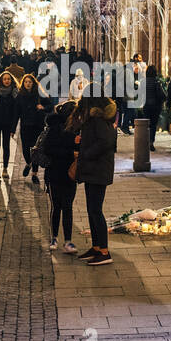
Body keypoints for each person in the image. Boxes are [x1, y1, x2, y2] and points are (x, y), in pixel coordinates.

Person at [69, 93, 117, 265]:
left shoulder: (98, 120)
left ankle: (104, 251)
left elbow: (105, 142)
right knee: (91, 209)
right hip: (93, 170)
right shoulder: (97, 119)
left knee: (96, 210)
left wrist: (86, 153)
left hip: (98, 170)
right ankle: (96, 247)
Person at [43, 99, 80, 253]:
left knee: (68, 206)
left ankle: (68, 240)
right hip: (55, 172)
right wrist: (71, 151)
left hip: (70, 173)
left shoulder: (76, 129)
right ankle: (54, 237)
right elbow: (49, 149)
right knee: (56, 206)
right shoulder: (54, 128)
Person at [17, 73, 52, 183]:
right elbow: (16, 112)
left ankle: (34, 174)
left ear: (33, 83)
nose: (28, 84)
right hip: (25, 125)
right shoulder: (20, 95)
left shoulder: (40, 94)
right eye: (26, 82)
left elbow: (50, 106)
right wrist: (12, 128)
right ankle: (29, 163)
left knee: (35, 149)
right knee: (25, 149)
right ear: (23, 83)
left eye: (30, 82)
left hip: (37, 124)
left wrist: (43, 107)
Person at [0, 71, 21, 178]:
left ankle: (5, 169)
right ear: (1, 80)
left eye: (9, 79)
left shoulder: (14, 94)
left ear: (11, 81)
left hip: (8, 124)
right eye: (5, 79)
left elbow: (16, 113)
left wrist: (13, 128)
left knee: (6, 146)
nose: (7, 81)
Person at [142, 65, 165, 150]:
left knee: (146, 125)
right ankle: (151, 142)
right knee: (153, 125)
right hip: (155, 107)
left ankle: (145, 142)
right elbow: (162, 95)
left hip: (146, 106)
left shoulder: (143, 82)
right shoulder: (157, 82)